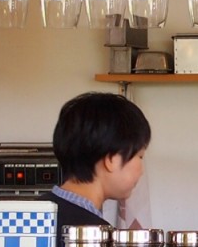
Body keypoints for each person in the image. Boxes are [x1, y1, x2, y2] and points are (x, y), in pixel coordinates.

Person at [47, 92, 151, 228]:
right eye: (140, 156)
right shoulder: (95, 234)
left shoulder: (30, 216)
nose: (141, 171)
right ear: (112, 159)